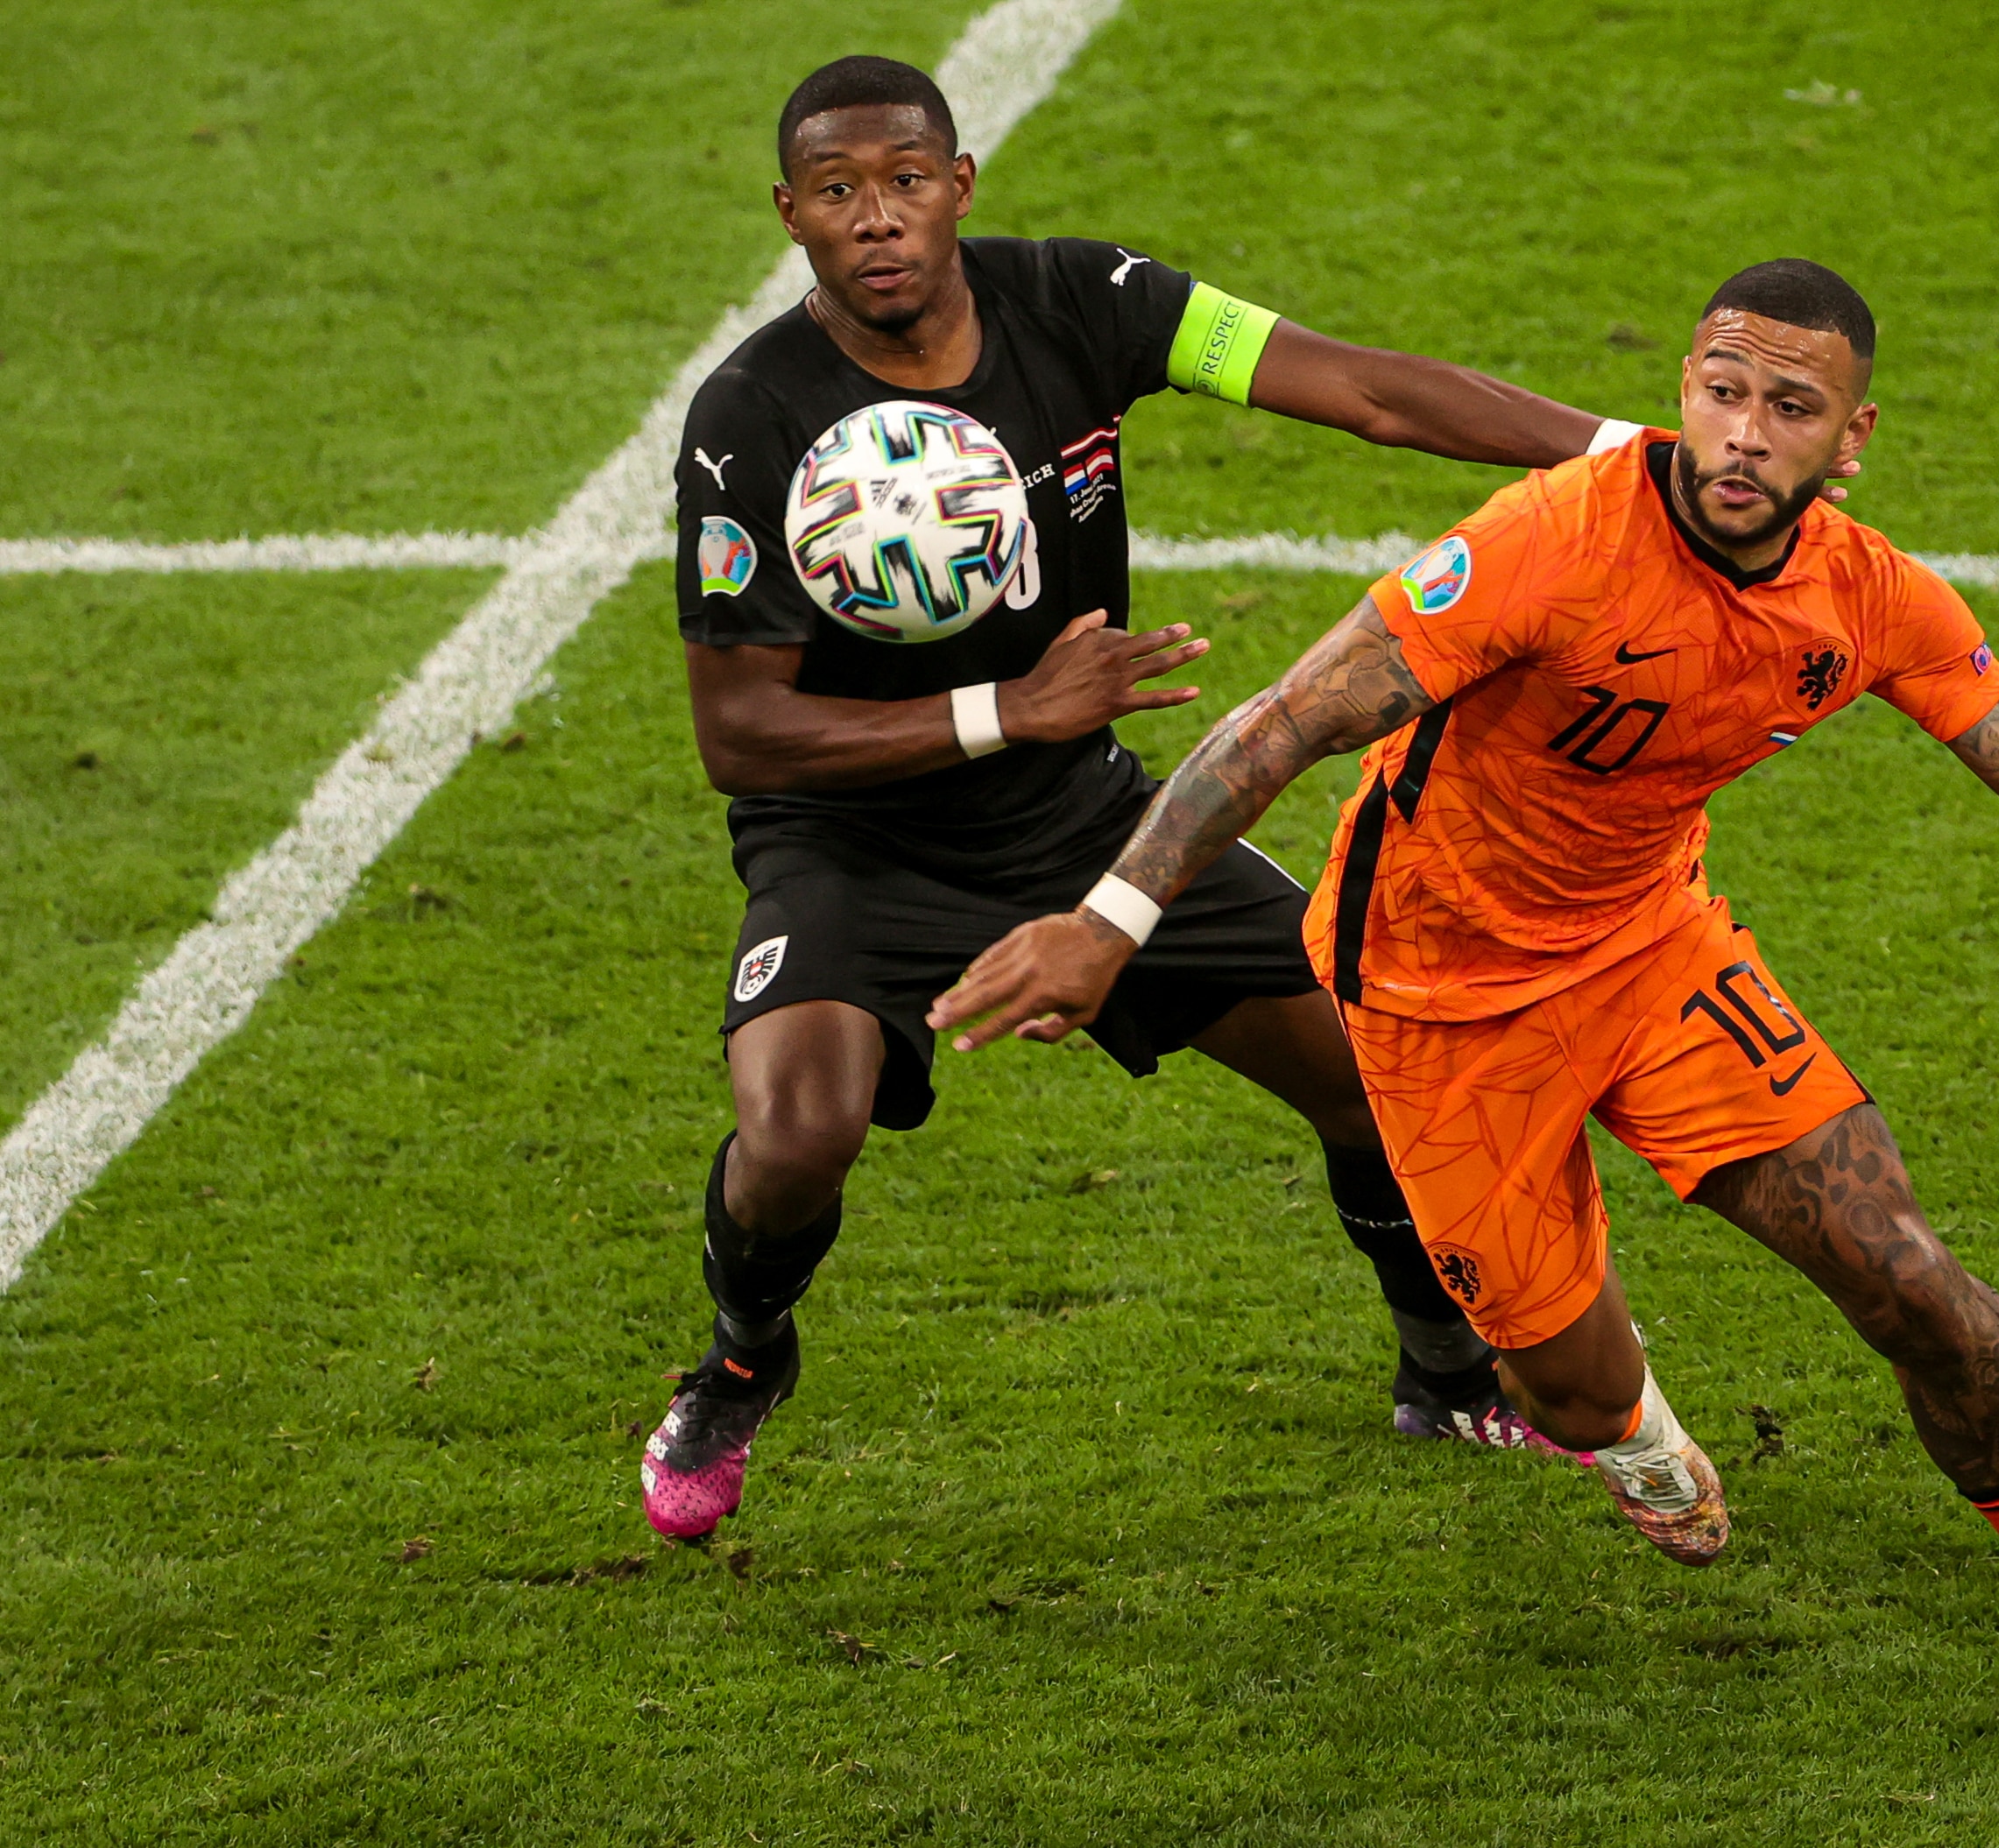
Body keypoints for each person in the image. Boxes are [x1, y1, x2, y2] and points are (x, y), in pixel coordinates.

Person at [925, 258, 1999, 1743]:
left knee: (1913, 1279)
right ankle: (1637, 1437)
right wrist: (1107, 923)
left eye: (1790, 406)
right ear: (1683, 394)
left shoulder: (1868, 595)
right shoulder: (1547, 542)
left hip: (1652, 954)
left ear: (1850, 439)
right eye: (1720, 391)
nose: (1742, 433)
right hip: (1438, 998)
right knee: (1567, 1390)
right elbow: (1283, 725)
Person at [646, 54, 1645, 1541]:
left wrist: (1635, 457)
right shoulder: (749, 419)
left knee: (1375, 1070)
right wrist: (1009, 706)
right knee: (796, 1133)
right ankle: (741, 1362)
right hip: (852, 849)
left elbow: (1364, 387)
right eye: (840, 193)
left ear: (959, 186)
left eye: (908, 182)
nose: (879, 219)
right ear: (790, 214)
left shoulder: (1084, 298)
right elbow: (743, 734)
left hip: (1085, 817)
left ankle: (1441, 1362)